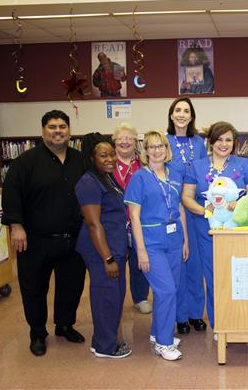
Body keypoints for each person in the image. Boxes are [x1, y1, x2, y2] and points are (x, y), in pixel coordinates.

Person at [1, 110, 86, 356]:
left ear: (69, 131)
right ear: (43, 131)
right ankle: (37, 332)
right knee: (34, 288)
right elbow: (11, 194)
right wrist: (16, 227)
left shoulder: (80, 160)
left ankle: (64, 324)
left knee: (71, 286)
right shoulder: (25, 162)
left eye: (62, 126)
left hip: (72, 239)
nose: (57, 131)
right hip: (35, 241)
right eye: (52, 127)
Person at [182, 121, 248, 335]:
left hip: (237, 231)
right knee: (213, 277)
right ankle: (220, 325)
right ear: (210, 142)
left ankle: (239, 320)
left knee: (236, 276)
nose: (224, 144)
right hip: (204, 230)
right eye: (219, 140)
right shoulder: (196, 166)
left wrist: (241, 204)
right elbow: (187, 197)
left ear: (234, 143)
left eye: (228, 140)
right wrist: (205, 211)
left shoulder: (244, 165)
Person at [124, 131, 188, 361]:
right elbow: (134, 216)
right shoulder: (139, 178)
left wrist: (185, 240)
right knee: (166, 290)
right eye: (152, 146)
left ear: (167, 149)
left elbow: (180, 208)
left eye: (161, 145)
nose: (157, 150)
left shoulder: (175, 174)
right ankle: (164, 343)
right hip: (151, 242)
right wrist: (141, 251)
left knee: (171, 290)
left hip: (174, 240)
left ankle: (156, 333)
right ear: (146, 151)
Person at [75, 133, 131, 358]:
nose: (110, 159)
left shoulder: (105, 177)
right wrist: (107, 259)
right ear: (91, 157)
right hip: (101, 250)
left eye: (112, 154)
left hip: (114, 246)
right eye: (103, 155)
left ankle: (105, 338)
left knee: (115, 295)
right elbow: (93, 223)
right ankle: (104, 347)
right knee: (105, 296)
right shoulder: (88, 182)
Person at [165, 98, 208, 334]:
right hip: (173, 209)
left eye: (186, 111)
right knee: (179, 263)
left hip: (196, 208)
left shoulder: (199, 142)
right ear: (171, 115)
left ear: (191, 117)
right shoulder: (164, 141)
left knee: (196, 264)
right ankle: (181, 316)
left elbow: (204, 173)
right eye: (177, 110)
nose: (182, 115)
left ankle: (195, 313)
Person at [111, 123, 151, 314]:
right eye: (121, 138)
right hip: (115, 222)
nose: (125, 142)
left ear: (136, 142)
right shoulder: (108, 164)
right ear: (114, 142)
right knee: (117, 262)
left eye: (129, 138)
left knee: (139, 261)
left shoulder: (143, 164)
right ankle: (115, 299)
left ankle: (140, 298)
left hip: (139, 222)